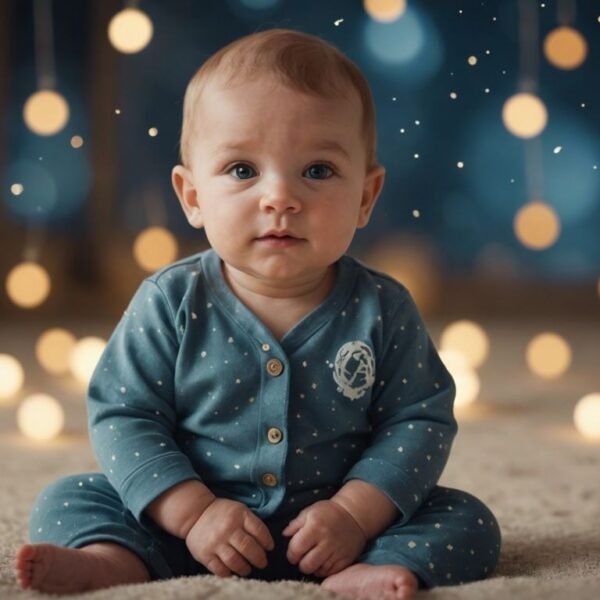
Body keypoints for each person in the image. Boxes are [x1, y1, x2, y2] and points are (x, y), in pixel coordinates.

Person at [15, 29, 501, 600]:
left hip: (340, 531)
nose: (280, 197)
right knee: (70, 497)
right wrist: (193, 514)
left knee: (468, 519)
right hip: (188, 529)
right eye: (243, 170)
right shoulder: (171, 300)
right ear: (192, 196)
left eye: (317, 170)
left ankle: (368, 571)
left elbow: (419, 421)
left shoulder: (382, 308)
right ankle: (111, 561)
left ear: (366, 196)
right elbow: (124, 414)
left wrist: (354, 514)